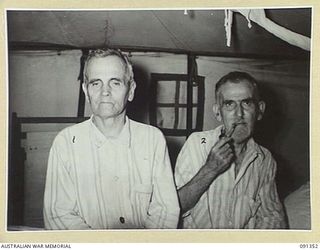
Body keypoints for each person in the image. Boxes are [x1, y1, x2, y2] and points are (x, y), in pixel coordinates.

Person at [43, 49, 180, 230]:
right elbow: (57, 214)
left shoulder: (152, 140)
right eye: (95, 83)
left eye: (115, 83)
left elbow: (166, 210)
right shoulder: (66, 143)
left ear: (130, 91)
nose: (104, 92)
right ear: (86, 90)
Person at [174, 71, 287, 229]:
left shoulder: (265, 159)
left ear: (260, 110)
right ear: (218, 112)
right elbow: (172, 208)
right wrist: (210, 169)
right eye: (229, 104)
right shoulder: (197, 143)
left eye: (246, 103)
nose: (239, 114)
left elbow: (272, 216)